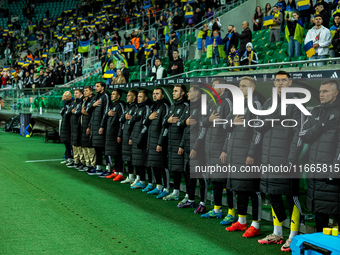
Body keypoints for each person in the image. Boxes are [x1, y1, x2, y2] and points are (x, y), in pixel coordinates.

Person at [257, 71, 303, 253]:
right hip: (269, 158)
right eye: (277, 80)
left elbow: (299, 135)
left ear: (290, 82)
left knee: (291, 196)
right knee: (273, 193)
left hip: (287, 159)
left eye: (284, 80)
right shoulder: (269, 102)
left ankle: (293, 235)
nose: (280, 83)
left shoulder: (296, 103)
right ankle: (277, 233)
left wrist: (291, 159)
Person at [224, 77, 262, 238]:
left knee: (252, 190)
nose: (240, 88)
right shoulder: (238, 104)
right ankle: (241, 221)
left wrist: (252, 153)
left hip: (248, 155)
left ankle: (256, 224)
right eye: (239, 86)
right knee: (239, 188)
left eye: (244, 86)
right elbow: (226, 126)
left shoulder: (257, 105)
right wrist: (225, 150)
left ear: (252, 89)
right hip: (234, 154)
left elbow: (259, 131)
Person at [300, 80, 340, 233]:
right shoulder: (316, 110)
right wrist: (321, 125)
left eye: (326, 91)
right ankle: (320, 245)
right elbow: (304, 136)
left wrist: (335, 169)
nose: (321, 94)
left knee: (336, 209)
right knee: (319, 210)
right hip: (315, 170)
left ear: (335, 93)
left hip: (331, 170)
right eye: (320, 91)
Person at [200, 78, 236, 226]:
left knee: (225, 181)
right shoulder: (210, 102)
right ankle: (217, 209)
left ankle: (232, 213)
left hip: (221, 148)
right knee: (215, 180)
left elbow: (231, 127)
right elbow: (203, 121)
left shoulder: (227, 102)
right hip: (210, 147)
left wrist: (225, 149)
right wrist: (209, 119)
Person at [177, 86, 208, 214]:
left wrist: (196, 147)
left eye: (190, 92)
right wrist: (182, 145)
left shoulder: (202, 107)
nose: (188, 94)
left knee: (201, 176)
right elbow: (186, 128)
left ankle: (203, 203)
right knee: (189, 174)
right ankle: (190, 200)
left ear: (196, 94)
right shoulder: (191, 107)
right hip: (189, 147)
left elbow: (203, 129)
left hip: (198, 148)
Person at [162, 85, 189, 201]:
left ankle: (189, 194)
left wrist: (182, 144)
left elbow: (184, 125)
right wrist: (168, 121)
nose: (173, 93)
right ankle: (176, 191)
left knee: (185, 170)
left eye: (176, 91)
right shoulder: (172, 106)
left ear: (183, 93)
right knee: (175, 168)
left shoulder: (186, 106)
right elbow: (164, 122)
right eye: (173, 91)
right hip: (171, 142)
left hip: (181, 143)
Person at [144, 88, 171, 198]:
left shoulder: (165, 106)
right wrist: (149, 118)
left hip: (161, 140)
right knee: (154, 164)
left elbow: (166, 125)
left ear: (163, 95)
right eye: (154, 94)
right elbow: (145, 122)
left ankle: (167, 188)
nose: (154, 95)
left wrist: (160, 142)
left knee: (163, 165)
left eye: (157, 93)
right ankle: (159, 186)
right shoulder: (153, 106)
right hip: (151, 139)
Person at [99, 89, 126, 181]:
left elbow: (122, 120)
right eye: (112, 94)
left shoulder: (120, 105)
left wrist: (119, 134)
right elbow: (105, 116)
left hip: (116, 133)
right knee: (114, 153)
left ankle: (121, 173)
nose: (112, 95)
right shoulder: (111, 105)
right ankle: (116, 172)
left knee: (118, 154)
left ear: (118, 96)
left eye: (114, 94)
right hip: (110, 133)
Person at [86, 82, 110, 176]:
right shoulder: (95, 97)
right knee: (97, 148)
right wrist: (93, 105)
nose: (95, 88)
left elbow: (106, 112)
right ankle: (98, 167)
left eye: (97, 86)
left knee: (104, 149)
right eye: (95, 86)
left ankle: (108, 168)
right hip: (94, 127)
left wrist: (102, 126)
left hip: (100, 127)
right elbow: (88, 110)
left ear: (103, 87)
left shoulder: (106, 96)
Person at [130, 90, 153, 190]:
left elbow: (145, 124)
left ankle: (143, 181)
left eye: (140, 96)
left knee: (141, 160)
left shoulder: (146, 108)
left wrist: (141, 137)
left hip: (142, 138)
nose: (138, 98)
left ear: (146, 98)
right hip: (135, 136)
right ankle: (140, 180)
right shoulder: (137, 108)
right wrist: (132, 137)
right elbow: (132, 122)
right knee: (136, 159)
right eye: (138, 96)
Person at [119, 90, 138, 184]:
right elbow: (121, 119)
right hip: (125, 134)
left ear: (134, 98)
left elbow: (136, 123)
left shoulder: (136, 107)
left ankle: (137, 177)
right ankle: (130, 176)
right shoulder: (127, 107)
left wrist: (131, 137)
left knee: (133, 157)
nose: (127, 97)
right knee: (127, 156)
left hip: (132, 136)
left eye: (129, 96)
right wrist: (125, 117)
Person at [79, 86, 96, 172]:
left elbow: (90, 113)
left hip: (88, 125)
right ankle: (87, 163)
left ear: (91, 92)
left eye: (86, 91)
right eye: (84, 91)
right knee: (84, 145)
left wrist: (89, 126)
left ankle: (92, 165)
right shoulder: (84, 101)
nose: (84, 92)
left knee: (90, 147)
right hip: (83, 125)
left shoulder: (93, 100)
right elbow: (81, 111)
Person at [66, 89, 84, 169]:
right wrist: (72, 111)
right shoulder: (73, 103)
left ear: (81, 94)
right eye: (74, 93)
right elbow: (68, 112)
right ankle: (76, 161)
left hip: (78, 126)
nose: (75, 94)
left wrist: (74, 111)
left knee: (79, 145)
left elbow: (78, 112)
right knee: (74, 145)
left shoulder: (81, 102)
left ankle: (81, 162)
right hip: (72, 126)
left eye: (77, 93)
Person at [60, 91, 73, 165]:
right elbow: (62, 113)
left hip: (69, 126)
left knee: (70, 143)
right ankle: (68, 157)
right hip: (64, 125)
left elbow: (67, 112)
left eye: (65, 96)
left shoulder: (71, 103)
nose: (63, 97)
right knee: (66, 142)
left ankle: (72, 158)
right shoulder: (65, 104)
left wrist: (64, 102)